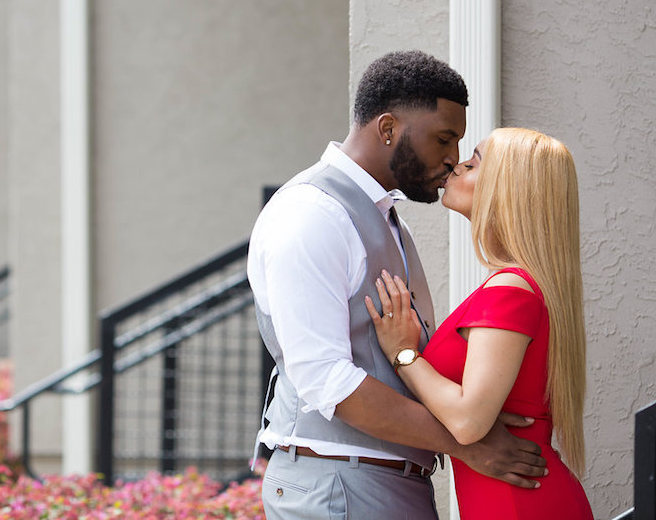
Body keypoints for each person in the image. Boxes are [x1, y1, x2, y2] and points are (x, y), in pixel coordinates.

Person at [248, 51, 547, 520]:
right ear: (388, 129)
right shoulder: (310, 215)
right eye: (444, 140)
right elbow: (328, 380)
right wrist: (469, 442)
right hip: (339, 487)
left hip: (384, 485)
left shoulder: (387, 223)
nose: (452, 160)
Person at [366, 127, 593, 519]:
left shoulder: (510, 290)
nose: (455, 167)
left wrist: (403, 353)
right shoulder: (517, 285)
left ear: (510, 190)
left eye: (473, 163)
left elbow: (468, 422)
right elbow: (474, 412)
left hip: (520, 505)